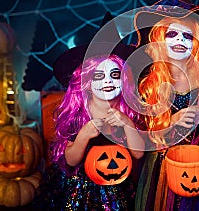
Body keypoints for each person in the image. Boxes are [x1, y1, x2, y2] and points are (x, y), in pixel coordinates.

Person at [35, 13, 144, 211]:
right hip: (80, 188)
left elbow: (137, 154)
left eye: (114, 74)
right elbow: (71, 160)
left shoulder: (125, 111)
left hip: (115, 187)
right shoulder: (78, 114)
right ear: (85, 82)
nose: (108, 81)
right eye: (99, 76)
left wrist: (127, 124)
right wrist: (84, 135)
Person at [133, 0, 199, 211]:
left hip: (196, 161)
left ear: (197, 44)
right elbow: (139, 138)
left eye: (188, 36)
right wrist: (169, 123)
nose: (179, 40)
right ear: (160, 38)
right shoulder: (151, 84)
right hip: (162, 163)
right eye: (172, 34)